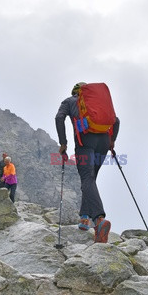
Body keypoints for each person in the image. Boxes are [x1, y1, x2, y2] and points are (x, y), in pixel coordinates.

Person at [55, 82, 120, 243]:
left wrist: (63, 143)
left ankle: (99, 220)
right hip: (104, 141)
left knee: (87, 178)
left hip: (85, 142)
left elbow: (59, 118)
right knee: (90, 179)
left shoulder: (69, 101)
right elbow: (116, 121)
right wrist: (112, 141)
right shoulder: (96, 103)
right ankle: (84, 218)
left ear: (74, 92)